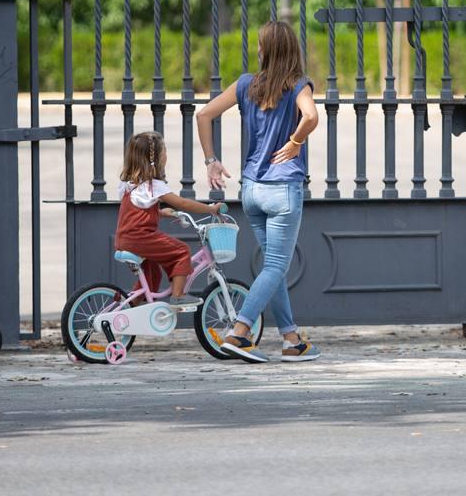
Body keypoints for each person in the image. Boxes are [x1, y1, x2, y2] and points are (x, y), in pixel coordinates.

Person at [197, 20, 320, 364]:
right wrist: (295, 142)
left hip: (251, 189)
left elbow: (204, 114)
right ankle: (239, 331)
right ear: (293, 49)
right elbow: (311, 117)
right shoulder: (298, 86)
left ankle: (291, 340)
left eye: (259, 45)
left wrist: (211, 160)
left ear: (265, 50)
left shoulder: (246, 85)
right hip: (283, 191)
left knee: (272, 266)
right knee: (277, 265)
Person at [114, 131, 223, 307]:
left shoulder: (130, 184)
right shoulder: (153, 185)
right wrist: (210, 209)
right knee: (181, 251)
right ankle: (178, 295)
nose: (166, 155)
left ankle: (128, 307)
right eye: (164, 151)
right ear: (155, 159)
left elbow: (135, 209)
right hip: (140, 239)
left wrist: (160, 212)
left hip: (125, 239)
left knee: (153, 275)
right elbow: (182, 203)